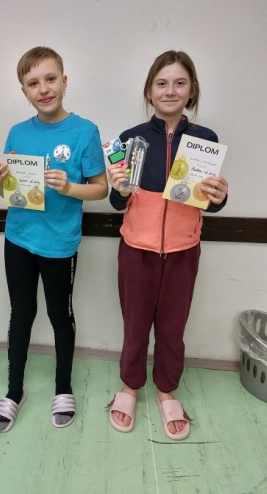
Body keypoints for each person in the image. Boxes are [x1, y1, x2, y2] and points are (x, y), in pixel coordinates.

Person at [107, 51, 228, 440]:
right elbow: (117, 201)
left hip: (183, 251)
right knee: (135, 325)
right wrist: (119, 189)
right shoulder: (129, 139)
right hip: (136, 250)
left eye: (179, 83)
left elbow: (209, 202)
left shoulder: (206, 141)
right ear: (149, 91)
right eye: (161, 83)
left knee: (173, 329)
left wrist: (220, 197)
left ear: (192, 91)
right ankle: (130, 386)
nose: (170, 90)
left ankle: (167, 390)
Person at [0, 46, 108, 432]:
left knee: (60, 316)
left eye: (50, 79)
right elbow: (9, 190)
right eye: (33, 83)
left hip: (59, 244)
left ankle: (63, 387)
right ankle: (14, 390)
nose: (43, 89)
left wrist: (70, 187)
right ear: (24, 91)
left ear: (64, 81)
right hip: (18, 238)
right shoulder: (18, 133)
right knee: (21, 314)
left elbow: (101, 189)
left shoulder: (85, 131)